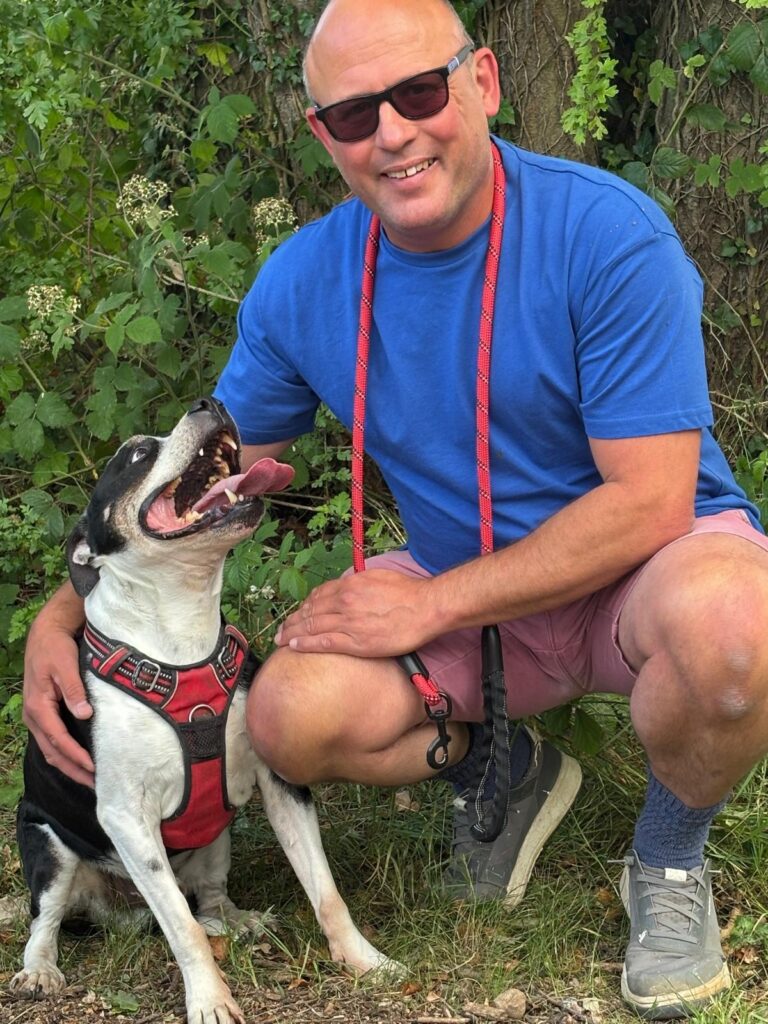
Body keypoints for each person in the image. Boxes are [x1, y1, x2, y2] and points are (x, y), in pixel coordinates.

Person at [23, 0, 768, 1017]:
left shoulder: (608, 236)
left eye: (419, 92)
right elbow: (189, 479)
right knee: (286, 713)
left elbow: (649, 503)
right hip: (474, 592)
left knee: (740, 630)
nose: (393, 133)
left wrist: (425, 606)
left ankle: (670, 863)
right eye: (353, 115)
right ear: (324, 135)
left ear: (485, 83)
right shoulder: (304, 282)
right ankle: (505, 769)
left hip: (646, 570)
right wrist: (59, 617)